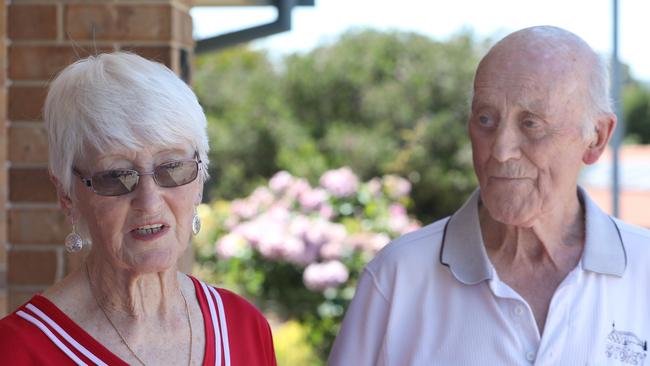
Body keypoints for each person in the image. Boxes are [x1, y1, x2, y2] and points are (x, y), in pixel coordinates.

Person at [328, 26, 650, 365]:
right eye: (485, 119)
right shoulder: (397, 276)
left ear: (597, 137)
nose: (500, 150)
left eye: (531, 124)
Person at [0, 52, 277, 365]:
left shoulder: (243, 327)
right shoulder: (17, 351)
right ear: (66, 193)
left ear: (199, 180)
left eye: (173, 168)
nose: (150, 201)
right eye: (116, 176)